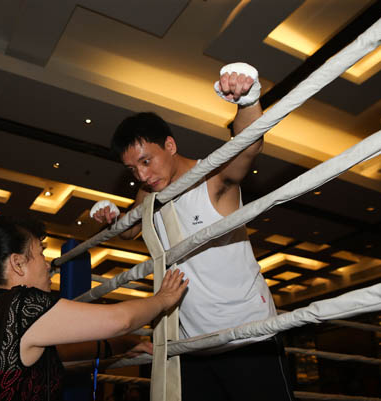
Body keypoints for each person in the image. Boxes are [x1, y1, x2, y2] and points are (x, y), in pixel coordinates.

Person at [92, 65, 295, 400]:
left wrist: (247, 102)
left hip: (247, 339)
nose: (142, 176)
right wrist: (113, 219)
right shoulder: (150, 197)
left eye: (147, 161)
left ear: (169, 145)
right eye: (132, 169)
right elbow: (131, 230)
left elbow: (246, 148)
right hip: (193, 348)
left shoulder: (212, 179)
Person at [0, 215, 188, 401]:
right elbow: (119, 320)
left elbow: (58, 354)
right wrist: (163, 299)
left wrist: (125, 344)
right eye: (40, 254)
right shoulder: (21, 304)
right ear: (18, 263)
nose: (49, 265)